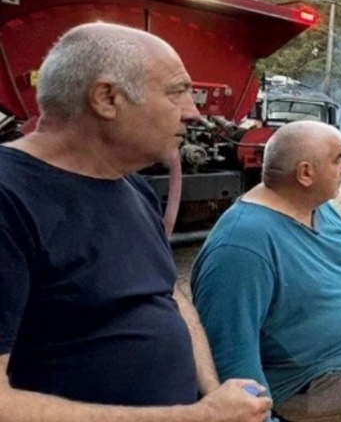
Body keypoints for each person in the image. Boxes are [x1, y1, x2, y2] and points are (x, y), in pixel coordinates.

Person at [0, 22, 274, 422]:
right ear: (107, 98)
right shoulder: (9, 199)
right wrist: (198, 417)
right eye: (177, 92)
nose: (193, 112)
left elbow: (168, 294)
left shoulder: (132, 186)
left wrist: (213, 397)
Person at [191, 121, 341, 422]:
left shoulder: (318, 207)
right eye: (338, 159)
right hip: (301, 384)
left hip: (339, 366)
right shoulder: (243, 246)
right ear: (305, 174)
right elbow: (229, 355)